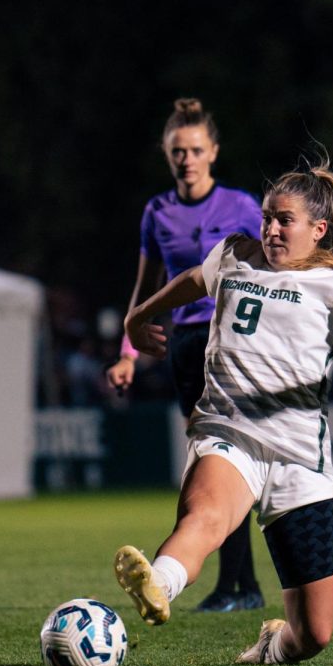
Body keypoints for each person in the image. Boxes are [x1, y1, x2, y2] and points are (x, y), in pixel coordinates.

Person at [113, 155, 333, 666]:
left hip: (300, 457)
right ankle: (159, 582)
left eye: (285, 220)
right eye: (267, 217)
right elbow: (192, 278)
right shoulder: (236, 254)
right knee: (206, 516)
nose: (271, 229)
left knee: (314, 636)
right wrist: (139, 317)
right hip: (228, 430)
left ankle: (271, 647)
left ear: (318, 229)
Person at [106, 98, 266, 613]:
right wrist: (128, 352)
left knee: (223, 460)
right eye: (179, 151)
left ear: (213, 152)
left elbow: (273, 275)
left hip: (233, 345)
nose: (187, 158)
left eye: (196, 149)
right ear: (166, 154)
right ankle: (241, 585)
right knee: (212, 460)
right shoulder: (158, 212)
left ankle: (236, 586)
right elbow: (145, 288)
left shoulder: (242, 206)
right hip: (184, 348)